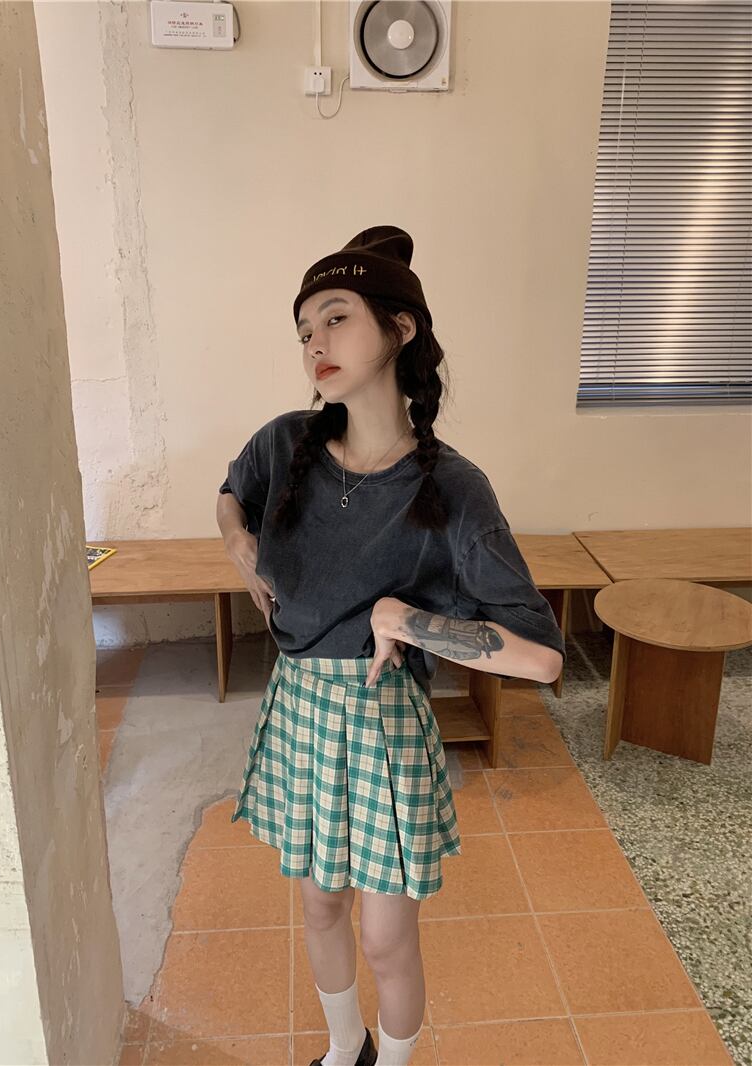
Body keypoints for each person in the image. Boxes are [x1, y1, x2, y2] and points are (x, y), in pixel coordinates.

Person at [216, 225, 566, 1066]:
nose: (315, 344)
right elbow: (232, 492)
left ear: (400, 328)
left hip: (378, 721)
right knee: (318, 906)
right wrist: (238, 543)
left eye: (336, 318)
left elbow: (541, 656)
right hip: (297, 707)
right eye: (305, 330)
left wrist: (406, 620)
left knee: (384, 937)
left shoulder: (452, 487)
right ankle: (346, 1049)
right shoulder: (284, 444)